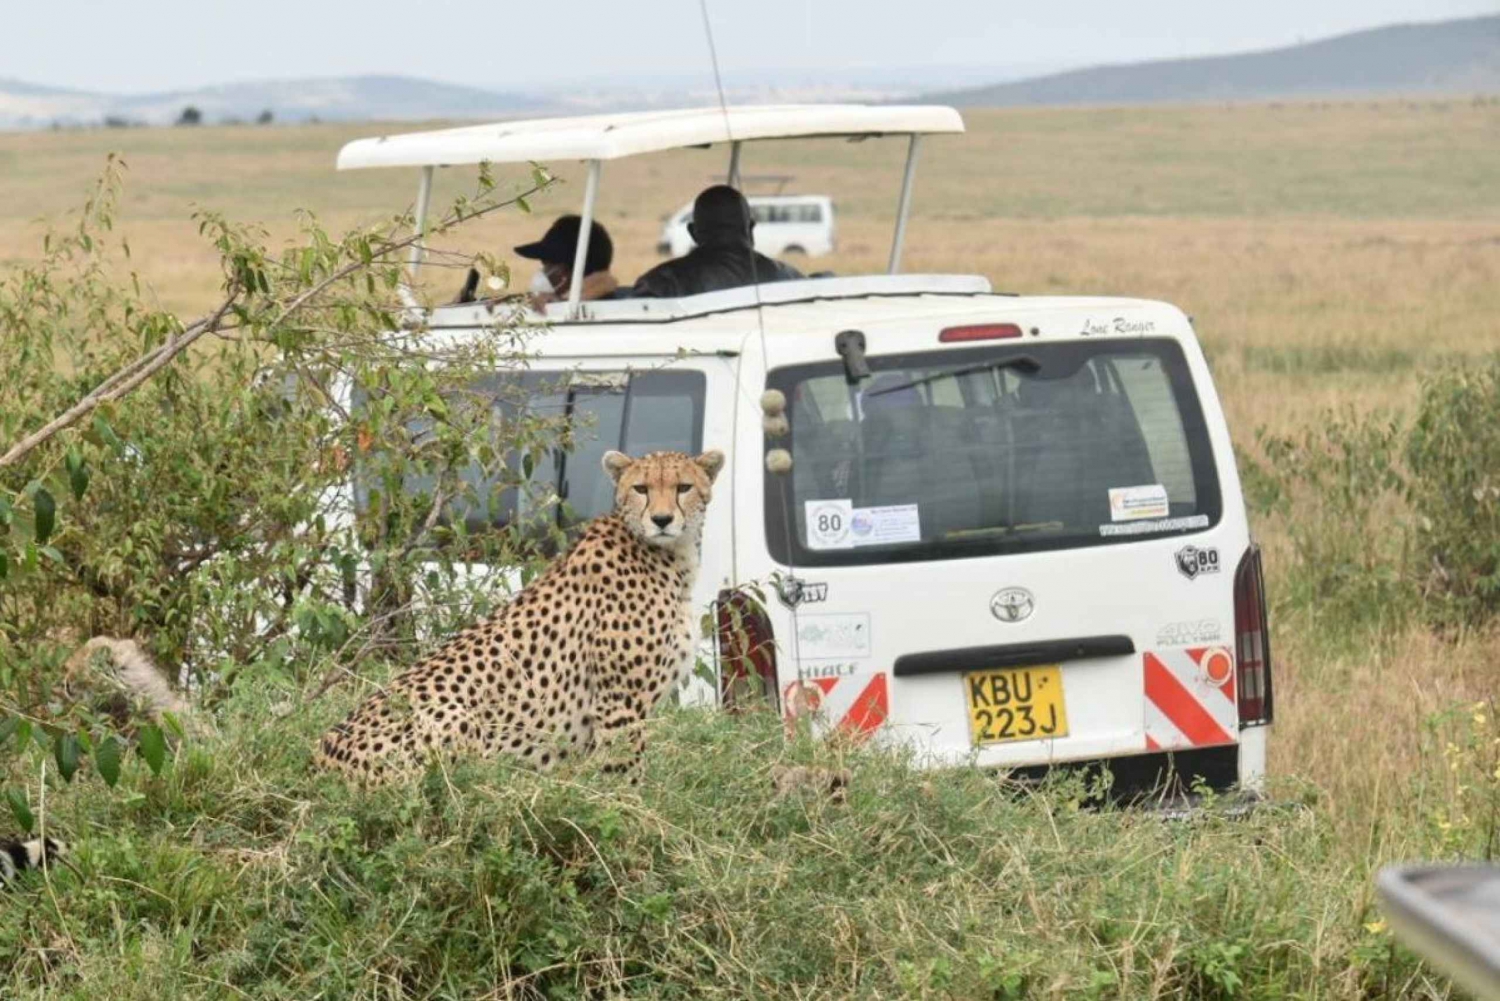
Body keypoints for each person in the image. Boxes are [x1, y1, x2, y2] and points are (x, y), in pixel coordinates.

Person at [632, 185, 804, 298]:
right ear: (750, 229)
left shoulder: (661, 283)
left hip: (689, 354)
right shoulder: (789, 278)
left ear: (693, 233)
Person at [514, 215, 619, 307]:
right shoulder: (607, 303)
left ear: (565, 273)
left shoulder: (572, 315)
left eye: (547, 264)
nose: (543, 272)